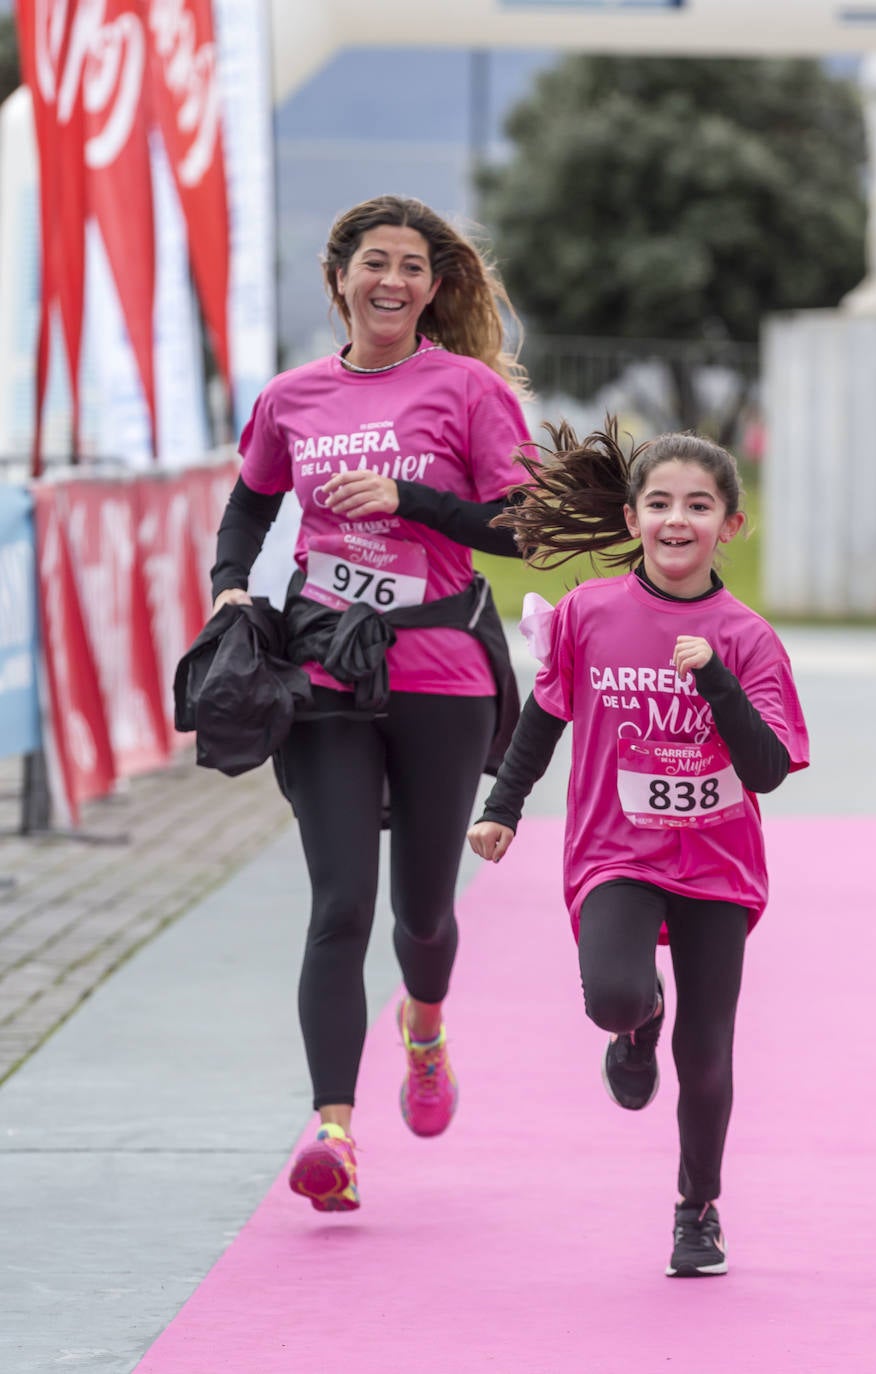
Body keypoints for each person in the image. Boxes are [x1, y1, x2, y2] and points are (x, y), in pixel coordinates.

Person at [208, 195, 533, 1212]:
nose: (390, 280)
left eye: (411, 266)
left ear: (434, 288)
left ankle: (424, 1023)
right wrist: (229, 584)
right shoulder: (292, 397)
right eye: (373, 263)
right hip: (323, 670)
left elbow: (520, 529)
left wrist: (412, 500)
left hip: (441, 669)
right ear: (339, 276)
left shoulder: (469, 390)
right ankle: (333, 1133)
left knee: (422, 916)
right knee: (341, 902)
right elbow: (253, 497)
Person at [467, 417, 809, 1276]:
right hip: (616, 851)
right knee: (614, 995)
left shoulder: (748, 637)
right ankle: (635, 1023)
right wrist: (502, 804)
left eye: (699, 505)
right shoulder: (589, 614)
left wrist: (716, 680)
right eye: (659, 503)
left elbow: (767, 769)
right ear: (632, 520)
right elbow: (546, 715)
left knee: (708, 1057)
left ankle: (698, 1210)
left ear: (730, 524)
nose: (676, 520)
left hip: (716, 865)